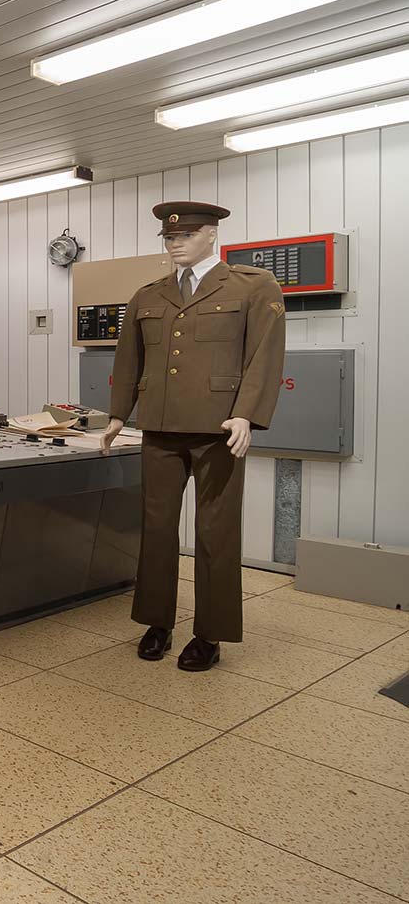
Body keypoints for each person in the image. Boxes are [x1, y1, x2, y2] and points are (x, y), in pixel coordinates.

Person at [100, 202, 286, 671]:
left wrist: (246, 415)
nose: (175, 243)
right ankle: (156, 622)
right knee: (157, 528)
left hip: (218, 429)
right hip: (160, 427)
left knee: (215, 533)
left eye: (186, 235)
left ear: (212, 235)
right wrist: (118, 414)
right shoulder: (149, 295)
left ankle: (210, 634)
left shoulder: (253, 286)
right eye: (169, 237)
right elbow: (129, 359)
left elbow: (264, 357)